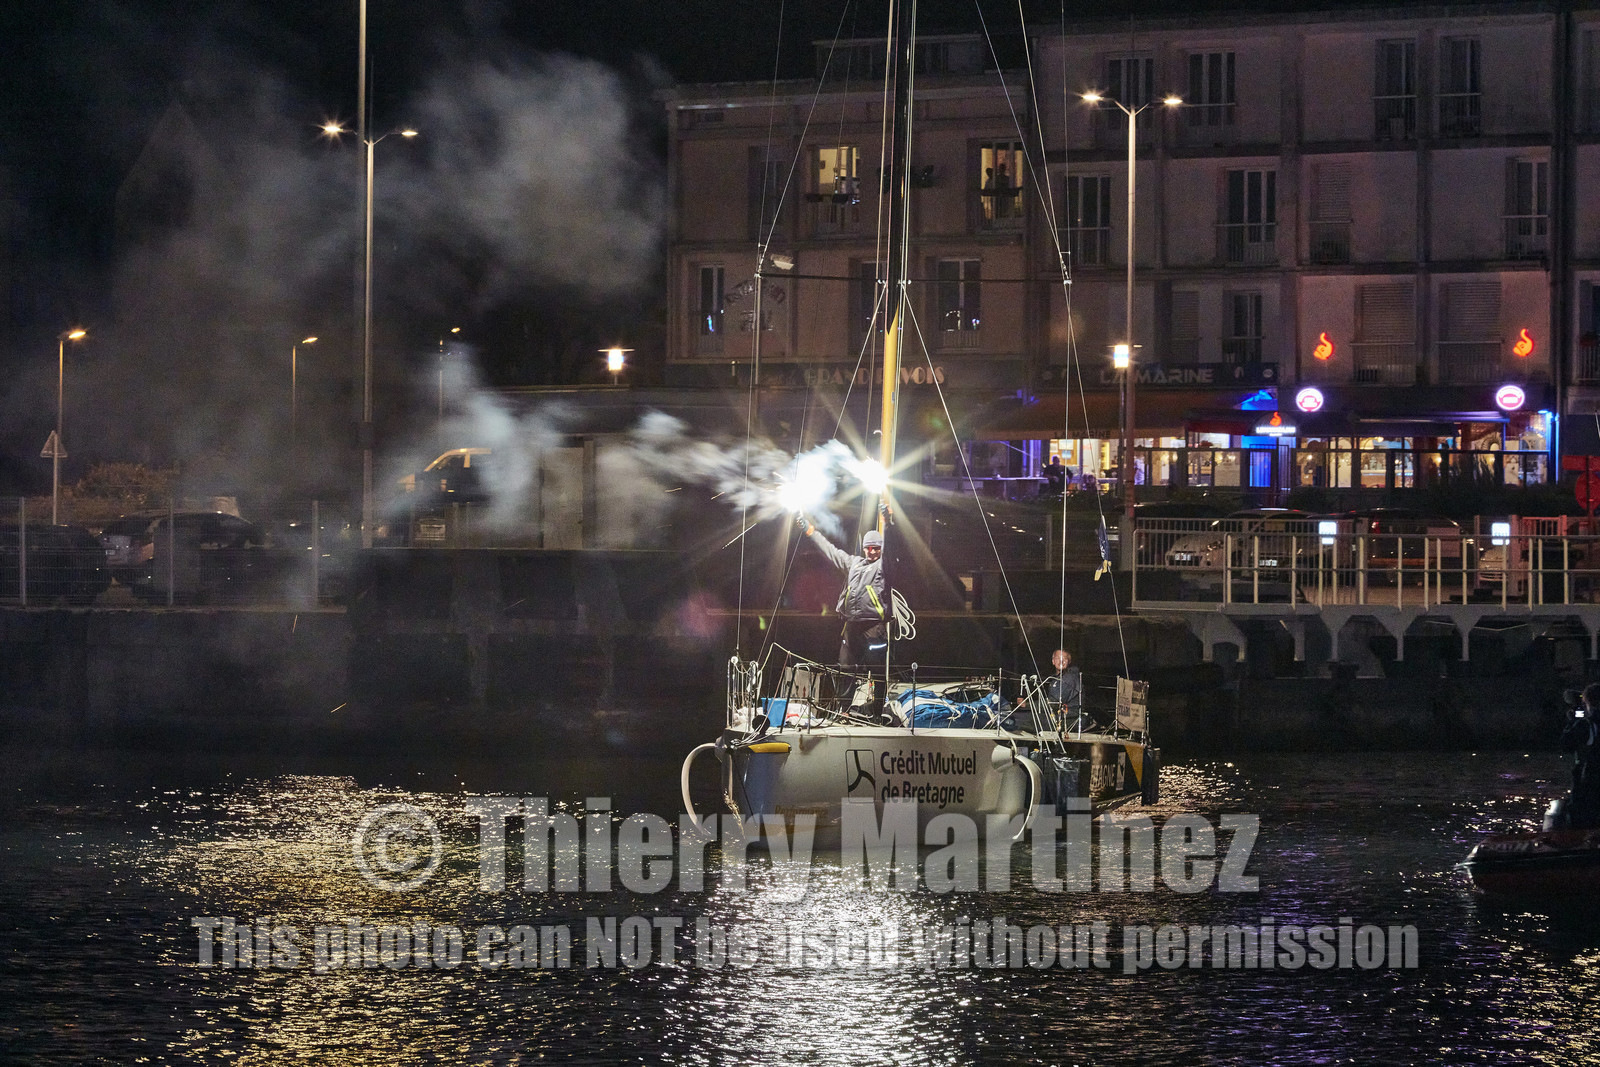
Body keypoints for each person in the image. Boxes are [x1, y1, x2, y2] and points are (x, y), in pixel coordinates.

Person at [796, 513, 891, 671]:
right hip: (851, 626)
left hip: (873, 627)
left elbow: (890, 546)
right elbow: (831, 551)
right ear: (864, 548)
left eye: (876, 548)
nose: (872, 551)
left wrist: (887, 523)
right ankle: (843, 697)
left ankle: (879, 697)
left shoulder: (883, 565)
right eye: (869, 548)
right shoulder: (853, 563)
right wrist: (810, 531)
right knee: (845, 670)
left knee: (877, 673)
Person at [1558, 684, 1600, 830]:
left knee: (1579, 814)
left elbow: (1566, 744)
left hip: (1589, 780)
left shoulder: (1586, 725)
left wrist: (1573, 721)